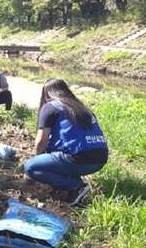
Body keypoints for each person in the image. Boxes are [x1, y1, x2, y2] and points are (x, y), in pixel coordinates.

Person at [24, 78, 108, 206]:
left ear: (47, 93)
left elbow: (41, 140)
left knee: (31, 167)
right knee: (55, 153)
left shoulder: (50, 107)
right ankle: (72, 179)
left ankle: (75, 185)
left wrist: (38, 158)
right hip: (100, 160)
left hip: (78, 158)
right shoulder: (82, 108)